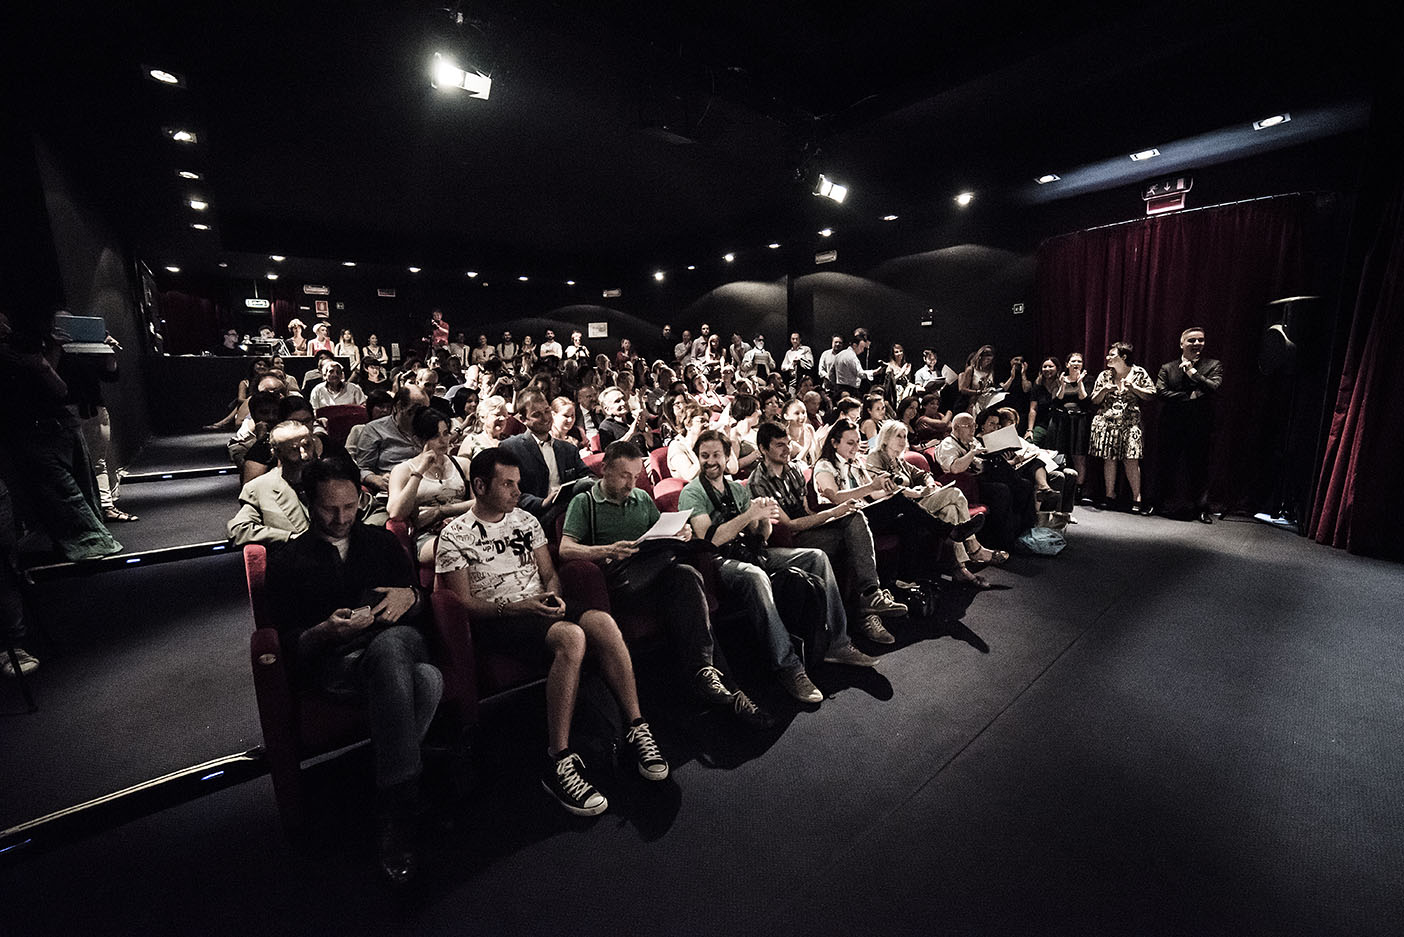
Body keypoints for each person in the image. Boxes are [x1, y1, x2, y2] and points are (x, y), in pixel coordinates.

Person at [437, 448, 668, 816]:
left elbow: (549, 574)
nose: (517, 491)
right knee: (572, 637)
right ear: (479, 486)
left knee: (604, 623)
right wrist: (519, 608)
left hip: (539, 606)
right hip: (498, 617)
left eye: (518, 483)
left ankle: (636, 725)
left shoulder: (526, 521)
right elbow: (462, 603)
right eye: (507, 484)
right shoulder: (454, 536)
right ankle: (558, 757)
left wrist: (555, 598)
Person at [264, 456, 441, 884]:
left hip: (397, 642)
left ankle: (393, 805)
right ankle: (401, 792)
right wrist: (326, 630)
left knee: (392, 644)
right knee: (427, 680)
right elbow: (289, 644)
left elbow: (420, 602)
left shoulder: (381, 543)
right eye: (329, 509)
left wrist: (411, 599)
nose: (342, 518)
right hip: (337, 663)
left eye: (350, 507)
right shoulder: (287, 560)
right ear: (309, 502)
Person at [558, 441, 773, 729]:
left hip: (656, 576)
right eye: (624, 476)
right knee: (689, 590)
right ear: (605, 469)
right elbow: (565, 549)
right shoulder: (583, 502)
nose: (630, 484)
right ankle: (725, 686)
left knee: (688, 577)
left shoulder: (642, 499)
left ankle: (712, 679)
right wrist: (607, 550)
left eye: (635, 477)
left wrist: (681, 534)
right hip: (621, 584)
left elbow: (660, 535)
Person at [681, 431, 877, 704]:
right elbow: (709, 540)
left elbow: (759, 536)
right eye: (704, 456)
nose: (710, 461)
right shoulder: (692, 492)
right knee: (756, 576)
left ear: (727, 458)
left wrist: (763, 518)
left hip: (751, 551)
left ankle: (838, 643)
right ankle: (789, 666)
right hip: (718, 563)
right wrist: (750, 514)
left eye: (716, 455)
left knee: (817, 557)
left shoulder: (736, 488)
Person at [750, 421, 909, 640]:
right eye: (780, 445)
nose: (787, 449)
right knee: (853, 535)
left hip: (812, 527)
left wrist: (835, 514)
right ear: (763, 449)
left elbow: (806, 510)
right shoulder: (758, 482)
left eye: (788, 443)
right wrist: (834, 513)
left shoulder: (794, 469)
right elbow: (790, 525)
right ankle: (864, 614)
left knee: (856, 521)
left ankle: (871, 594)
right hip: (791, 540)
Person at [866, 421, 1000, 586]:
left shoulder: (899, 460)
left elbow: (923, 474)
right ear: (886, 438)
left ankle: (960, 568)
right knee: (955, 493)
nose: (903, 440)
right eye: (898, 436)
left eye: (905, 436)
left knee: (951, 510)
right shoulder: (876, 456)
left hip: (915, 504)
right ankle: (973, 547)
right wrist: (915, 492)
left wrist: (929, 483)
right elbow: (883, 487)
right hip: (901, 509)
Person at [1153, 327, 1223, 523]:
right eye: (1192, 340)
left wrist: (1194, 374)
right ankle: (1159, 504)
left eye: (1200, 340)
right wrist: (1190, 396)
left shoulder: (1212, 365)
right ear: (1181, 344)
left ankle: (1200, 509)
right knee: (1167, 464)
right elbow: (1161, 393)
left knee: (1199, 468)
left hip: (1200, 426)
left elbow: (1213, 387)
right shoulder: (1168, 367)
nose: (1197, 344)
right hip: (1171, 425)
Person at [387, 407, 473, 565]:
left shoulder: (463, 464)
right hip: (428, 534)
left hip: (466, 526)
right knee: (451, 548)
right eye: (434, 436)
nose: (443, 441)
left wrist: (442, 511)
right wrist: (420, 471)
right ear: (418, 439)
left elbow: (481, 503)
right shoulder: (403, 470)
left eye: (446, 433)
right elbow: (395, 513)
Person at [500, 391, 594, 529]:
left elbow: (588, 476)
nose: (545, 418)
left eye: (547, 411)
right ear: (523, 419)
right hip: (534, 516)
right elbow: (508, 490)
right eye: (537, 415)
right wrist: (543, 502)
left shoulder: (568, 449)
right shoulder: (511, 447)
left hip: (571, 511)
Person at [1090, 341, 1157, 512]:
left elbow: (1152, 394)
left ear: (1123, 357)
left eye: (1112, 354)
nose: (1108, 357)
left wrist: (1134, 388)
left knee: (1131, 460)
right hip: (1108, 423)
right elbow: (1094, 400)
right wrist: (1104, 390)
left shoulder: (1138, 372)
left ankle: (1137, 497)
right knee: (1109, 459)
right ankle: (1109, 494)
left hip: (1130, 423)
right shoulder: (1105, 375)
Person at [228, 420, 315, 545]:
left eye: (307, 445)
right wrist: (289, 537)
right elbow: (238, 530)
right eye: (294, 450)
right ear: (276, 452)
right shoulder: (259, 488)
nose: (305, 455)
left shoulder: (334, 479)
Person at [352, 385, 431, 505]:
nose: (423, 415)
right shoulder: (374, 429)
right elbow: (363, 468)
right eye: (416, 410)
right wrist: (375, 479)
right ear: (399, 406)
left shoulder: (429, 427)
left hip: (430, 484)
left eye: (426, 410)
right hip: (395, 489)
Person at [666, 399, 709, 482]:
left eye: (707, 421)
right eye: (702, 421)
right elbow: (690, 475)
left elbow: (732, 469)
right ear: (687, 424)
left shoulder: (705, 444)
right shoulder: (676, 447)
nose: (707, 425)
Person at [830, 329, 879, 399]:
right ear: (855, 345)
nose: (862, 350)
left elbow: (831, 373)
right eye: (861, 347)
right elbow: (860, 373)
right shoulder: (851, 356)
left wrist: (835, 386)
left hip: (839, 388)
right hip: (849, 390)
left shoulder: (839, 354)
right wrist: (875, 372)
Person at [457, 395, 509, 460]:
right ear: (483, 417)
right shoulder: (472, 440)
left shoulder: (510, 441)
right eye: (497, 415)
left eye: (505, 416)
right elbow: (462, 466)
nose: (502, 419)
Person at [958, 346, 999, 415]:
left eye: (990, 359)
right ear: (980, 357)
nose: (987, 361)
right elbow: (962, 389)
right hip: (972, 403)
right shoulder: (971, 370)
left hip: (986, 404)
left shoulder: (991, 372)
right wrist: (979, 392)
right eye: (986, 357)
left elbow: (990, 385)